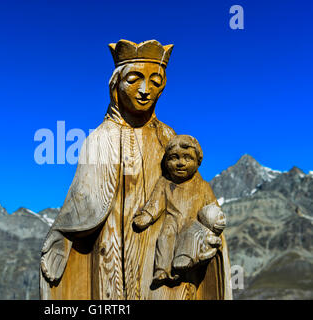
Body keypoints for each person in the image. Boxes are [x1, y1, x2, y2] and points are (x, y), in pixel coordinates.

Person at [40, 40, 231, 300]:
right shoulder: (101, 138)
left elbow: (193, 190)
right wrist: (62, 235)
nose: (145, 90)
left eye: (155, 81)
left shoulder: (168, 136)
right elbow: (82, 199)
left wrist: (204, 227)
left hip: (161, 251)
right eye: (134, 79)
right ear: (116, 83)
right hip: (113, 251)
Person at [133, 135, 226, 282]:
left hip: (193, 223)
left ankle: (189, 259)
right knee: (165, 236)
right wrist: (147, 216)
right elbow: (155, 203)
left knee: (195, 236)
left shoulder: (202, 186)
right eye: (174, 158)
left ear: (197, 162)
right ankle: (162, 270)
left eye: (187, 158)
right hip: (172, 220)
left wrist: (217, 221)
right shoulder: (164, 183)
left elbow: (213, 208)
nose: (180, 163)